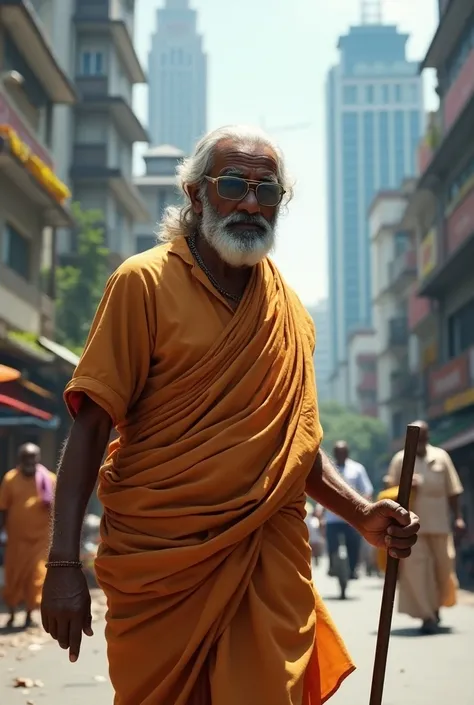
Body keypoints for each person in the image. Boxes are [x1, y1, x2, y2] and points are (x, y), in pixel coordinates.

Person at [41, 125, 420, 705]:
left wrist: (362, 513)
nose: (249, 203)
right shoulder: (141, 283)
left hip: (267, 561)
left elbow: (296, 448)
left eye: (266, 192)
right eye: (233, 185)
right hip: (162, 567)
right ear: (196, 195)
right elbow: (91, 428)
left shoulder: (290, 312)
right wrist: (63, 563)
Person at [387, 420, 464, 634]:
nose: (420, 440)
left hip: (439, 524)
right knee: (418, 571)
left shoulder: (441, 457)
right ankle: (427, 616)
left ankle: (436, 607)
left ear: (428, 437)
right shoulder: (399, 460)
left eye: (423, 436)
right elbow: (388, 492)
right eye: (416, 436)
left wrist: (458, 517)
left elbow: (454, 489)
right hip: (410, 527)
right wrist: (405, 486)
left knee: (443, 569)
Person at [0, 443, 55, 629]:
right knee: (13, 578)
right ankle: (12, 614)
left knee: (36, 577)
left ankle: (30, 615)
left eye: (33, 457)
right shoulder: (10, 479)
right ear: (20, 460)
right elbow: (3, 509)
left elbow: (58, 510)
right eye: (26, 458)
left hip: (40, 541)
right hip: (16, 541)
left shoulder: (50, 480)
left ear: (38, 458)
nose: (29, 461)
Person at [324, 441, 373, 580]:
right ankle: (333, 566)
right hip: (332, 517)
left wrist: (365, 506)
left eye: (343, 452)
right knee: (331, 543)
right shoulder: (328, 468)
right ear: (334, 454)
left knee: (354, 545)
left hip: (352, 517)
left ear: (347, 453)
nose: (340, 455)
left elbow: (367, 490)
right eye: (338, 453)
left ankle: (353, 569)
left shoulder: (357, 469)